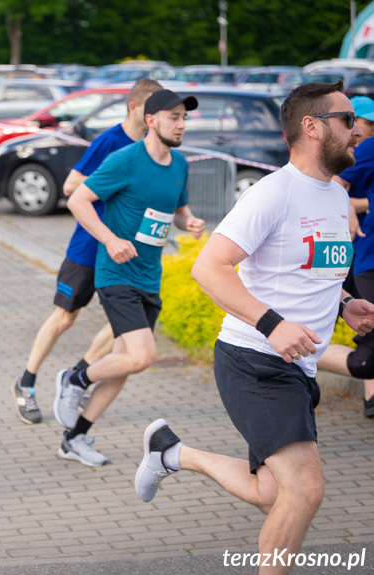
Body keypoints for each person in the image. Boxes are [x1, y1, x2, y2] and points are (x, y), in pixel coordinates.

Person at [133, 82, 374, 575]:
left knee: (272, 494)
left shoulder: (334, 197)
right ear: (312, 127)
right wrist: (273, 324)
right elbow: (210, 268)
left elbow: (309, 270)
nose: (358, 132)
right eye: (348, 121)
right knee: (305, 491)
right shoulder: (273, 193)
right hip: (256, 361)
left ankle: (173, 453)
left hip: (296, 365)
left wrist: (346, 302)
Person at [54, 89, 204, 466]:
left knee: (124, 363)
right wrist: (110, 238)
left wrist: (191, 222)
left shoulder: (180, 164)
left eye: (184, 117)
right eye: (174, 116)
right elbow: (77, 199)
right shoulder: (124, 159)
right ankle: (76, 379)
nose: (182, 123)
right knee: (142, 356)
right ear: (151, 120)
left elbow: (179, 211)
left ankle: (75, 438)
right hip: (115, 273)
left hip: (149, 277)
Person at [12, 79, 163, 425]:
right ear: (135, 108)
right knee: (65, 317)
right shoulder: (109, 142)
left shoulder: (152, 146)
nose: (157, 117)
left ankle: (76, 375)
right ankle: (26, 382)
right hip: (89, 246)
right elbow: (70, 186)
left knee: (122, 325)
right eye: (152, 109)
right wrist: (111, 185)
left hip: (126, 251)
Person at [317, 94, 374, 418]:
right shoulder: (365, 150)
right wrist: (352, 209)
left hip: (357, 251)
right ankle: (297, 352)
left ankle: (370, 399)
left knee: (368, 342)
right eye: (354, 122)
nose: (361, 131)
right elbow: (336, 189)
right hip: (359, 253)